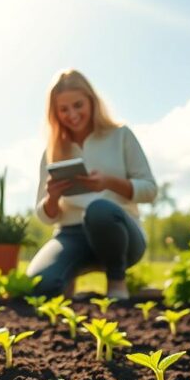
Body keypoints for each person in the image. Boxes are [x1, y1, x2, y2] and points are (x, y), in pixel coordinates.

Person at [27, 69, 158, 300]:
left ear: (92, 101)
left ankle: (116, 282)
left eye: (78, 105)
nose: (72, 114)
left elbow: (149, 190)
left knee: (99, 210)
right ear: (54, 113)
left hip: (119, 233)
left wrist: (108, 183)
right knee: (39, 286)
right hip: (72, 235)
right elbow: (45, 215)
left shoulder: (121, 135)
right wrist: (53, 198)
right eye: (63, 109)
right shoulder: (53, 150)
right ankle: (69, 282)